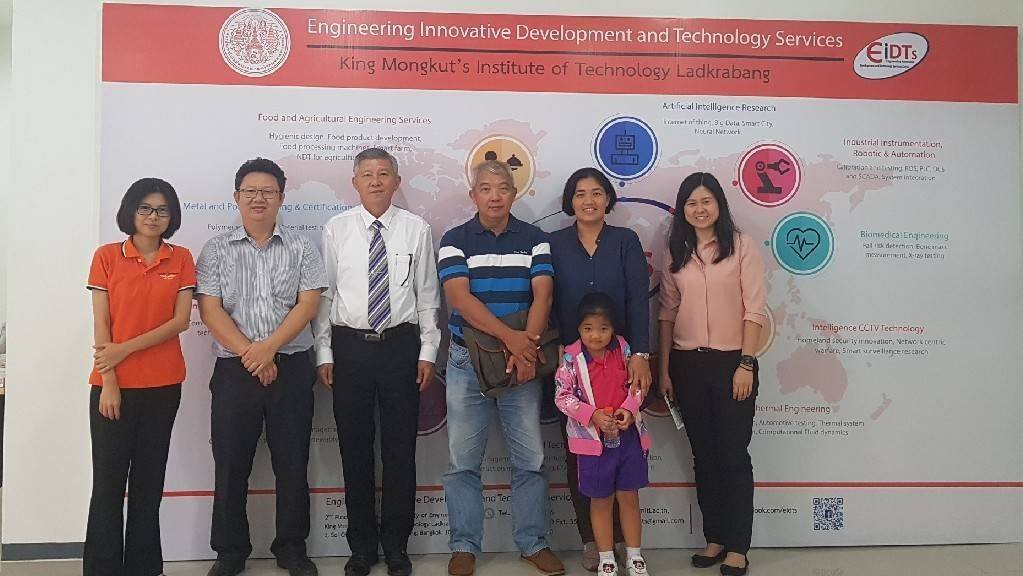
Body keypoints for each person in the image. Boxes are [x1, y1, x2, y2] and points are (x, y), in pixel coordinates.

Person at [312, 148, 441, 576]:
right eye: (367, 174)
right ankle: (362, 547)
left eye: (383, 174)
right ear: (355, 182)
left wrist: (427, 351)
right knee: (355, 449)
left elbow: (427, 296)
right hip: (350, 349)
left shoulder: (416, 229)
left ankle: (397, 546)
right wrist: (325, 352)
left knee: (401, 450)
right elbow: (326, 296)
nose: (375, 181)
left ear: (396, 181)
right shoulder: (336, 229)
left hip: (400, 346)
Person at [196, 158, 327, 576]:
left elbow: (308, 304)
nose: (258, 198)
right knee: (231, 464)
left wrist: (268, 349)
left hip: (290, 367)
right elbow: (210, 309)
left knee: (292, 462)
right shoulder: (216, 249)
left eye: (267, 191)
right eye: (250, 191)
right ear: (236, 197)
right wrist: (252, 355)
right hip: (235, 372)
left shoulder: (302, 246)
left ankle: (291, 548)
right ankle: (230, 551)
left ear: (281, 198)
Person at [437, 160, 565, 576]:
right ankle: (464, 546)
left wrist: (525, 347)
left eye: (503, 188)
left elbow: (543, 296)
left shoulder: (535, 239)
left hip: (521, 361)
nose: (495, 196)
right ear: (473, 195)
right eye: (486, 189)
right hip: (467, 362)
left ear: (514, 193)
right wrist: (513, 340)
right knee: (462, 461)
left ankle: (533, 543)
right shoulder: (455, 239)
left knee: (530, 459)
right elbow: (460, 299)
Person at [84, 178, 195, 576]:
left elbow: (180, 321)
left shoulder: (181, 258)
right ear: (131, 211)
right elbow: (102, 323)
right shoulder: (107, 256)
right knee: (108, 486)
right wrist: (110, 381)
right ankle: (102, 569)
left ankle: (144, 568)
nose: (153, 216)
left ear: (171, 216)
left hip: (164, 387)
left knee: (149, 485)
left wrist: (124, 348)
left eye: (162, 210)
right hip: (111, 388)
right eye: (145, 208)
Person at [657, 172, 766, 576]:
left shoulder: (742, 246)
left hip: (733, 363)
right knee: (703, 457)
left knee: (733, 456)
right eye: (691, 203)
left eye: (706, 201)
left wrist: (746, 364)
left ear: (719, 204)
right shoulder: (676, 252)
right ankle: (715, 537)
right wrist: (665, 369)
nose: (699, 209)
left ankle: (738, 546)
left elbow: (754, 309)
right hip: (687, 365)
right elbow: (667, 313)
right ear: (682, 209)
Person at [548, 167, 651, 570]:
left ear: (608, 198)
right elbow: (546, 298)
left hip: (621, 363)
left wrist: (640, 354)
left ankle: (625, 544)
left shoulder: (626, 241)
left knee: (624, 453)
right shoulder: (554, 244)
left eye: (596, 193)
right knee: (583, 453)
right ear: (569, 201)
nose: (588, 201)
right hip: (575, 364)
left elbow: (639, 299)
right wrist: (557, 345)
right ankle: (593, 541)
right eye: (579, 194)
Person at [554, 292, 651, 576]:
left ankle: (634, 556)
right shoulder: (571, 357)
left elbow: (638, 385)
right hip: (592, 444)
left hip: (628, 440)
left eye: (603, 328)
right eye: (588, 328)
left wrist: (629, 409)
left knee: (629, 497)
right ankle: (606, 557)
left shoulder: (625, 349)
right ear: (578, 328)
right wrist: (592, 415)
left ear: (613, 328)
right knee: (600, 500)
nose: (595, 336)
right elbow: (562, 396)